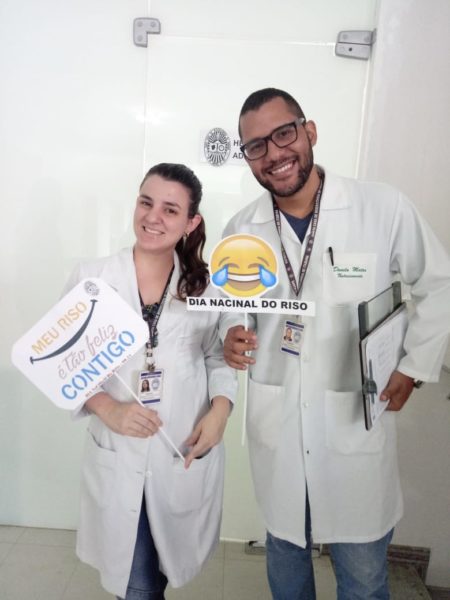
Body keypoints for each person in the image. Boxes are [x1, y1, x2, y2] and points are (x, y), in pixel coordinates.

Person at [221, 88, 450, 600]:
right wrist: (232, 336)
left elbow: (439, 284)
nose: (274, 153)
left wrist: (413, 367)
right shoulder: (242, 229)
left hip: (352, 424)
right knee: (286, 568)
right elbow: (232, 311)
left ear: (310, 132)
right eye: (256, 146)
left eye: (284, 134)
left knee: (363, 578)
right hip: (280, 427)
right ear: (248, 157)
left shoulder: (381, 208)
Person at [63, 163, 237, 600]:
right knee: (137, 584)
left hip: (181, 446)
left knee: (156, 574)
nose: (153, 217)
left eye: (170, 209)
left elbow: (217, 355)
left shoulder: (206, 286)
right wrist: (108, 409)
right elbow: (67, 361)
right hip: (119, 449)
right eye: (146, 202)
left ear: (191, 222)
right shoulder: (93, 279)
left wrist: (220, 412)